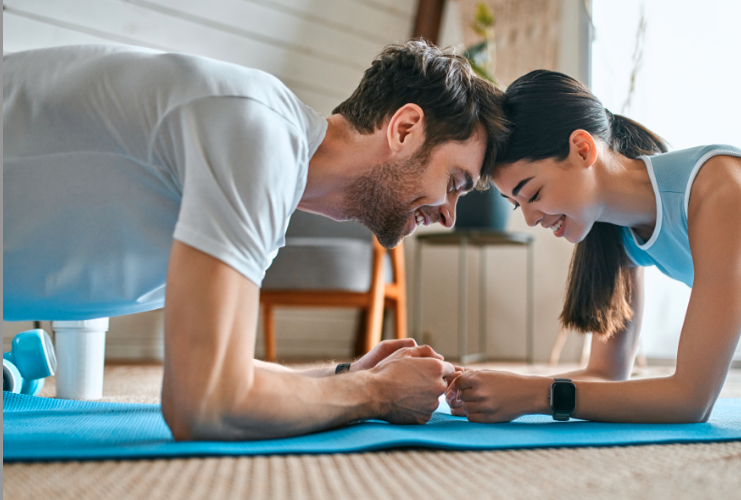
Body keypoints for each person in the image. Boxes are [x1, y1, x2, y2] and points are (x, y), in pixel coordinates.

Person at [4, 41, 508, 440]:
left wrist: (345, 372)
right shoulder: (257, 130)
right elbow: (202, 402)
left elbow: (213, 363)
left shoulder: (271, 171)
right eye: (455, 183)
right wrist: (374, 393)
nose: (448, 214)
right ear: (405, 128)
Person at [446, 69, 741, 424]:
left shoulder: (717, 191)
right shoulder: (613, 232)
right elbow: (606, 373)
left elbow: (690, 399)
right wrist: (485, 381)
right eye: (516, 204)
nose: (531, 217)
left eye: (532, 193)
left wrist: (538, 396)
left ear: (583, 149)